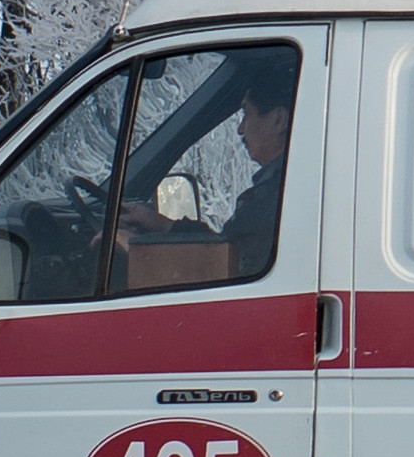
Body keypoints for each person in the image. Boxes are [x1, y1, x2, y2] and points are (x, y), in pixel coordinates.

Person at [112, 53, 295, 293]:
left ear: (279, 120)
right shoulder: (288, 186)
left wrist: (134, 252)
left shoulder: (278, 197)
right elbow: (227, 246)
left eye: (246, 114)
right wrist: (164, 226)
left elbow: (224, 272)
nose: (240, 129)